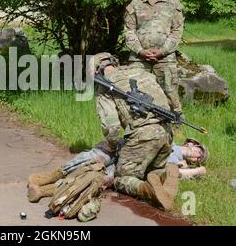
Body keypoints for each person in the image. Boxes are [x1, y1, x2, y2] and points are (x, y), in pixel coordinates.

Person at [29, 53, 179, 211]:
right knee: (151, 169)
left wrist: (115, 147)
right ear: (114, 63)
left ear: (95, 71)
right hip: (167, 132)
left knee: (122, 178)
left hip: (144, 136)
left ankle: (147, 190)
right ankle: (164, 175)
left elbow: (112, 128)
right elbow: (170, 99)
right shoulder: (142, 72)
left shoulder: (107, 87)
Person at [28, 139, 209, 202]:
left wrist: (196, 171)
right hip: (120, 149)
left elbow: (173, 178)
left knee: (96, 178)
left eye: (198, 158)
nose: (196, 156)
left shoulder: (175, 166)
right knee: (92, 158)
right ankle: (45, 177)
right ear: (191, 143)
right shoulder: (169, 140)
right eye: (198, 151)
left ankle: (44, 191)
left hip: (130, 165)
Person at [124, 0, 184, 114]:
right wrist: (140, 50)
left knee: (171, 96)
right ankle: (139, 129)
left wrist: (163, 51)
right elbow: (129, 31)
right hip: (139, 59)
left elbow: (177, 31)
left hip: (165, 59)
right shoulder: (135, 4)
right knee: (135, 94)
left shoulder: (173, 3)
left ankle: (177, 127)